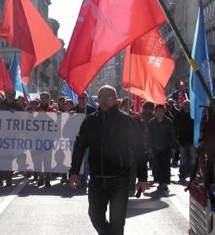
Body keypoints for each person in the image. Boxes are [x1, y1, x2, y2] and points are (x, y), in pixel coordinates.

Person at [70, 85, 148, 235]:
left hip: (120, 179)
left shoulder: (127, 121)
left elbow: (139, 150)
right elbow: (80, 147)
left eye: (109, 97)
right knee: (95, 216)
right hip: (97, 180)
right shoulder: (90, 122)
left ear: (116, 100)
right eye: (101, 97)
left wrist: (142, 177)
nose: (105, 100)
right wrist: (74, 172)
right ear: (97, 100)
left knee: (117, 222)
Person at [0, 89, 24, 187]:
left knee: (9, 159)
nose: (11, 95)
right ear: (6, 94)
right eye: (9, 94)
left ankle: (8, 180)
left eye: (13, 94)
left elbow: (24, 119)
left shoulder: (18, 107)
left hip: (12, 137)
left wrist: (16, 114)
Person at [148, 104, 177, 195]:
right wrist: (149, 147)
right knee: (157, 165)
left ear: (164, 112)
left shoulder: (168, 122)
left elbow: (173, 134)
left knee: (166, 165)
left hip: (166, 147)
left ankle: (165, 183)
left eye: (161, 111)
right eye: (158, 111)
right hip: (155, 147)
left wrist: (174, 146)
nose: (160, 113)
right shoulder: (152, 122)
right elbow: (149, 135)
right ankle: (160, 182)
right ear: (155, 112)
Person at [173, 100, 194, 183]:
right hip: (182, 139)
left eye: (188, 104)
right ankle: (182, 174)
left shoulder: (193, 114)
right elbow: (174, 126)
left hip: (192, 139)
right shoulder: (179, 114)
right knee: (183, 158)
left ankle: (192, 174)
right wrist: (176, 139)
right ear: (183, 105)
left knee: (193, 158)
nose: (187, 106)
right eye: (185, 104)